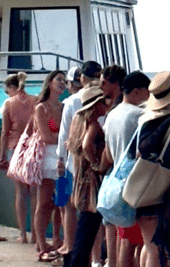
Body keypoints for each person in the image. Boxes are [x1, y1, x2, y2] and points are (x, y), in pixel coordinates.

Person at [135, 71, 170, 267]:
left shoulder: (145, 121)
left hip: (144, 192)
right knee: (162, 252)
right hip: (168, 193)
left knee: (149, 248)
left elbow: (136, 155)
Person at [62, 87, 112, 267]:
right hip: (91, 180)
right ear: (96, 105)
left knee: (84, 224)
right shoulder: (93, 124)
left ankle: (75, 260)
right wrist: (96, 164)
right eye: (103, 101)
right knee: (89, 225)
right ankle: (78, 262)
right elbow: (86, 145)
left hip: (80, 177)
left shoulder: (78, 120)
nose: (106, 105)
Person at [56, 61, 101, 257]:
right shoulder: (104, 101)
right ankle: (95, 256)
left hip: (73, 162)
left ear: (82, 79)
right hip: (96, 162)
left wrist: (60, 158)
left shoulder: (71, 102)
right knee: (93, 210)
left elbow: (63, 133)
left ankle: (69, 247)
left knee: (69, 204)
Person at [103, 71, 148, 267]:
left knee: (125, 239)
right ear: (137, 91)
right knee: (135, 243)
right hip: (135, 183)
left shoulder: (112, 114)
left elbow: (109, 155)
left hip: (117, 181)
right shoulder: (138, 115)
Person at [0, 72, 38, 244]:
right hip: (35, 148)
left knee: (21, 193)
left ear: (10, 88)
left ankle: (23, 234)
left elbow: (5, 132)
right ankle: (37, 234)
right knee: (36, 193)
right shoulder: (36, 100)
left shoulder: (8, 103)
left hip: (16, 149)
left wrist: (2, 157)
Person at [34, 70, 67, 258]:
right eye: (59, 79)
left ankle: (56, 238)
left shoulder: (63, 107)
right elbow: (46, 136)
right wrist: (65, 139)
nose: (62, 83)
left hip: (62, 158)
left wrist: (62, 139)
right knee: (44, 202)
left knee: (59, 203)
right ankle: (40, 242)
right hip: (48, 158)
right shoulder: (42, 108)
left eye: (64, 80)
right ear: (50, 83)